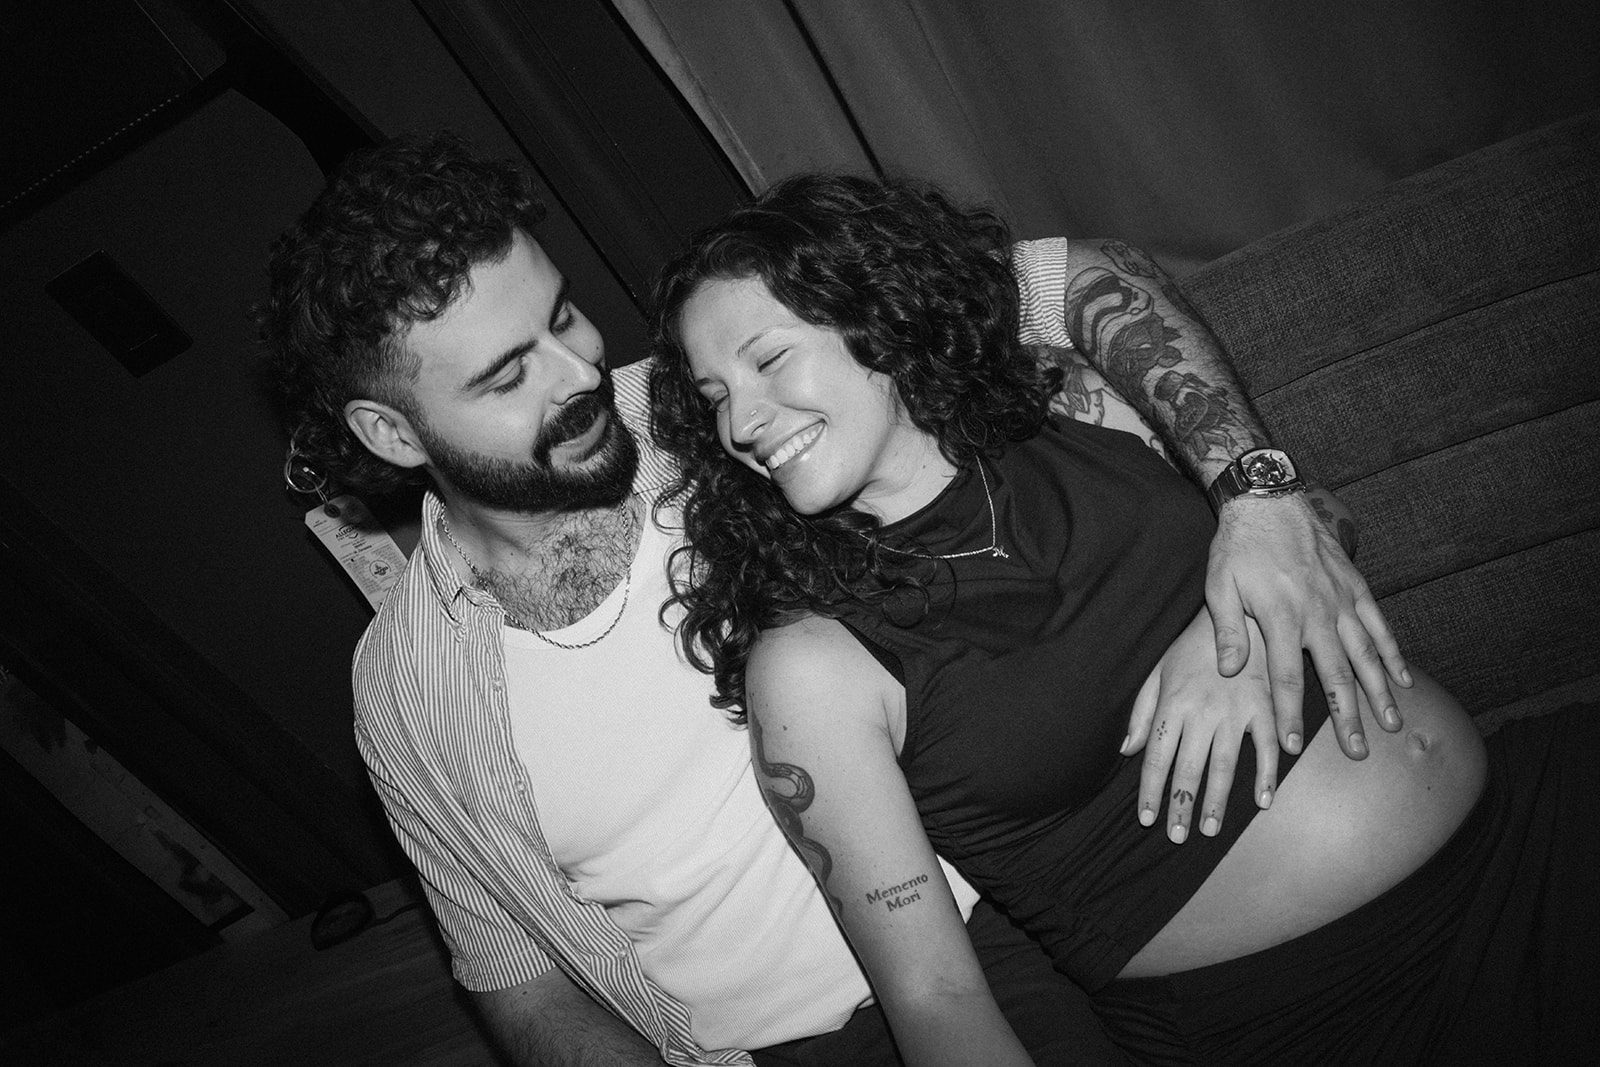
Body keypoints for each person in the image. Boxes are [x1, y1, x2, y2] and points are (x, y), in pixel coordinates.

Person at [263, 133, 1406, 1067]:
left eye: (560, 317)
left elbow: (1077, 277)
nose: (576, 376)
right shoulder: (407, 692)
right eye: (506, 375)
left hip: (996, 928)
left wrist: (1258, 498)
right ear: (391, 433)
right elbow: (517, 982)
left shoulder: (731, 398)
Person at [647, 172, 1600, 1064]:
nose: (742, 423)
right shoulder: (811, 664)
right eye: (716, 397)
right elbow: (937, 999)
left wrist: (1232, 618)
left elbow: (1316, 534)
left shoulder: (1065, 404)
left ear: (879, 319)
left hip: (1525, 824)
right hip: (1319, 1010)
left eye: (769, 358)